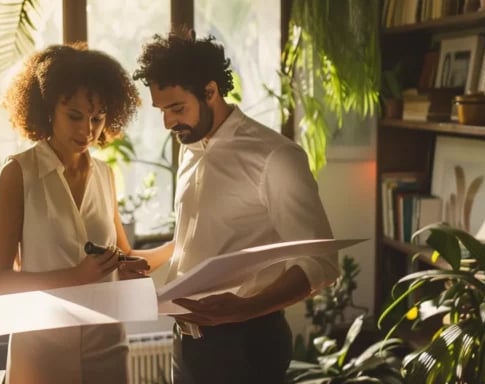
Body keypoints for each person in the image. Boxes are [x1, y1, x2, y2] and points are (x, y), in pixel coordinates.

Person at [123, 28, 339, 384]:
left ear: (210, 91)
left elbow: (320, 262)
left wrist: (245, 308)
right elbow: (199, 239)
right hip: (188, 342)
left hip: (246, 346)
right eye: (162, 110)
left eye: (177, 108)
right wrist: (147, 258)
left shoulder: (276, 157)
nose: (168, 122)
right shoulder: (189, 147)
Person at [0, 42, 147, 384]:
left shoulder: (105, 176)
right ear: (47, 109)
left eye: (98, 118)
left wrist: (178, 249)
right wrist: (76, 276)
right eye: (74, 116)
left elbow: (125, 256)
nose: (87, 130)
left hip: (108, 346)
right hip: (41, 352)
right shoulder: (18, 174)